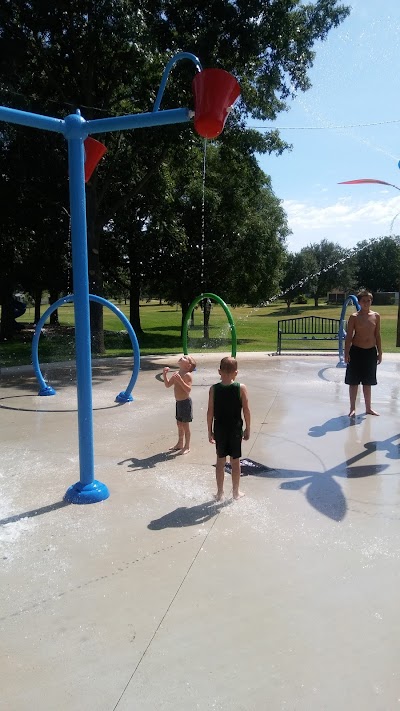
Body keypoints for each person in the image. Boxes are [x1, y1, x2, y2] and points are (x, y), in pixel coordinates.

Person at [207, 356, 251, 501]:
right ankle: (236, 492)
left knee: (220, 461)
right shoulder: (241, 388)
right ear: (236, 373)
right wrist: (248, 428)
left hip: (219, 430)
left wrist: (209, 431)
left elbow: (210, 412)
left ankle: (220, 493)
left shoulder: (214, 389)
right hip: (235, 430)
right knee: (235, 461)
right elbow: (246, 410)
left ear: (219, 371)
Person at [344, 289, 382, 417]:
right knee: (353, 382)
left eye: (369, 300)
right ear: (359, 302)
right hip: (356, 351)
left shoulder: (376, 316)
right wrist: (346, 353)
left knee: (368, 382)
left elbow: (377, 335)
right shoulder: (354, 317)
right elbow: (349, 336)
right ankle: (352, 408)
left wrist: (380, 352)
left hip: (370, 352)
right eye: (364, 301)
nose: (366, 303)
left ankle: (368, 408)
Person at [163, 355, 197, 454]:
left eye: (185, 357)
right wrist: (164, 374)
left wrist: (180, 380)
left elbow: (188, 390)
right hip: (178, 403)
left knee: (185, 425)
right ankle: (180, 443)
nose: (182, 357)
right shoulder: (176, 374)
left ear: (188, 365)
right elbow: (168, 385)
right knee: (179, 424)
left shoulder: (187, 375)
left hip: (185, 402)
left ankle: (187, 446)